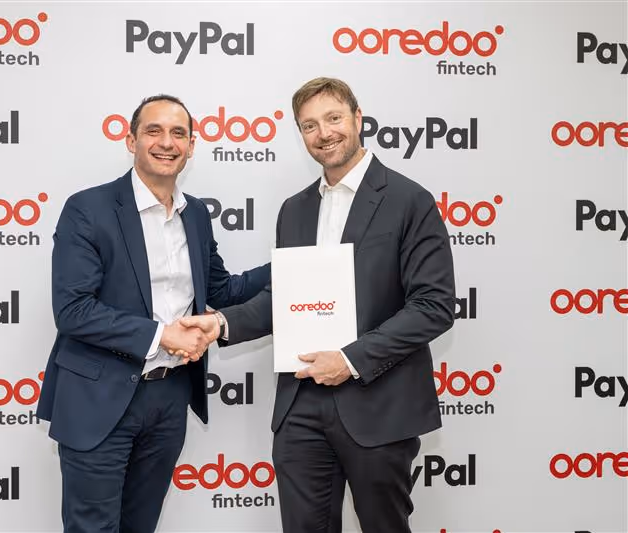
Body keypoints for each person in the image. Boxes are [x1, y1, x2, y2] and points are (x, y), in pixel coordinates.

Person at [181, 77, 455, 533]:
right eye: (309, 125)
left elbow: (434, 305)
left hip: (378, 404)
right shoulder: (295, 209)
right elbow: (285, 299)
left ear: (358, 118)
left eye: (333, 118)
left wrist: (349, 360)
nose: (324, 133)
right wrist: (221, 324)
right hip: (300, 406)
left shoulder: (411, 200)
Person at [36, 94, 270, 533]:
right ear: (131, 141)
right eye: (154, 131)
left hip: (168, 398)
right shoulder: (88, 209)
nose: (167, 142)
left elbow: (222, 290)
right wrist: (162, 335)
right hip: (98, 397)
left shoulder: (195, 214)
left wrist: (293, 263)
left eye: (178, 133)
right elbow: (73, 310)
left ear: (191, 146)